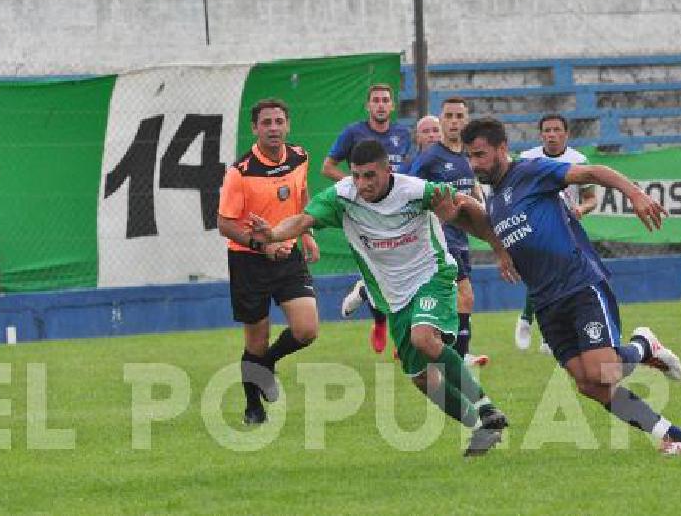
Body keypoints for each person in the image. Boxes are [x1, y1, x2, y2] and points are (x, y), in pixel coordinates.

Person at [250, 139, 519, 457]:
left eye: (369, 176)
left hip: (431, 276)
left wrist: (499, 248)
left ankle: (486, 408)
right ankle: (480, 428)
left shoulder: (415, 190)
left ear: (387, 170)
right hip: (392, 295)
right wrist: (275, 234)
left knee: (424, 338)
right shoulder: (342, 197)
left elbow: (465, 206)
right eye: (357, 175)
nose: (362, 184)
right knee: (419, 377)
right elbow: (303, 219)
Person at [455, 117, 681, 455]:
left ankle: (644, 346)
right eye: (469, 156)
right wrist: (500, 251)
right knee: (588, 384)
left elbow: (593, 173)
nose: (474, 164)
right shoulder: (493, 195)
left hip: (578, 285)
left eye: (480, 155)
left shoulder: (532, 171)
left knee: (605, 371)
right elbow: (494, 227)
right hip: (545, 301)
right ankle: (673, 436)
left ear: (502, 148)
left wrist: (634, 193)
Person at [217, 99, 321, 425]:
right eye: (266, 123)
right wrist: (263, 246)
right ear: (255, 128)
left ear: (287, 125)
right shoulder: (240, 172)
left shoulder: (300, 157)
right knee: (256, 340)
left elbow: (302, 197)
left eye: (279, 121)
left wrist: (306, 234)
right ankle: (253, 408)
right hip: (249, 261)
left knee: (306, 330)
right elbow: (224, 223)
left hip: (287, 254)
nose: (273, 128)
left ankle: (266, 366)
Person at [323, 83, 412, 354]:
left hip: (395, 211)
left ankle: (369, 297)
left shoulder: (402, 135)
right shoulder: (354, 133)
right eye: (376, 100)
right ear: (368, 105)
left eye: (386, 99)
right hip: (365, 211)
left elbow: (402, 173)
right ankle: (382, 322)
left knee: (399, 268)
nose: (381, 104)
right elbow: (327, 167)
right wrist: (358, 187)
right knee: (380, 267)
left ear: (393, 105)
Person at [409, 96, 489, 368]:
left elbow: (473, 187)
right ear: (441, 120)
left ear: (466, 120)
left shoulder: (468, 155)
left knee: (453, 298)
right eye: (449, 116)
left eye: (459, 116)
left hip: (461, 235)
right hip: (441, 237)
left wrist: (482, 209)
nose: (454, 122)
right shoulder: (430, 158)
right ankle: (459, 354)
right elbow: (410, 193)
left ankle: (436, 349)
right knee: (464, 294)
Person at [515, 114, 598, 354]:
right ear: (540, 134)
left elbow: (591, 199)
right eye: (547, 130)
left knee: (561, 279)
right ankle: (528, 321)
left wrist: (580, 210)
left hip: (566, 228)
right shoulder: (527, 159)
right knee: (541, 275)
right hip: (534, 228)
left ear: (566, 134)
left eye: (556, 130)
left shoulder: (578, 160)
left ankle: (541, 330)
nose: (551, 134)